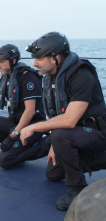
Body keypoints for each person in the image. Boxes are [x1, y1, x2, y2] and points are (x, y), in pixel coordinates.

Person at [21, 31, 106, 211]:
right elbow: (56, 116)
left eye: (39, 58)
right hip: (77, 136)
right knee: (53, 173)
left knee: (60, 136)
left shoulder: (81, 74)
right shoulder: (51, 78)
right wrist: (56, 145)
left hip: (97, 134)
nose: (34, 63)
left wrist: (34, 128)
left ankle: (77, 190)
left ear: (55, 58)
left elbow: (69, 120)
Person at [0, 44, 49, 169]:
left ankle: (45, 145)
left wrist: (13, 135)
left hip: (32, 126)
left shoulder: (27, 77)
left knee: (4, 161)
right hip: (14, 122)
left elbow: (30, 112)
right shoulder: (6, 78)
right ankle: (16, 146)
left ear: (13, 60)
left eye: (2, 62)